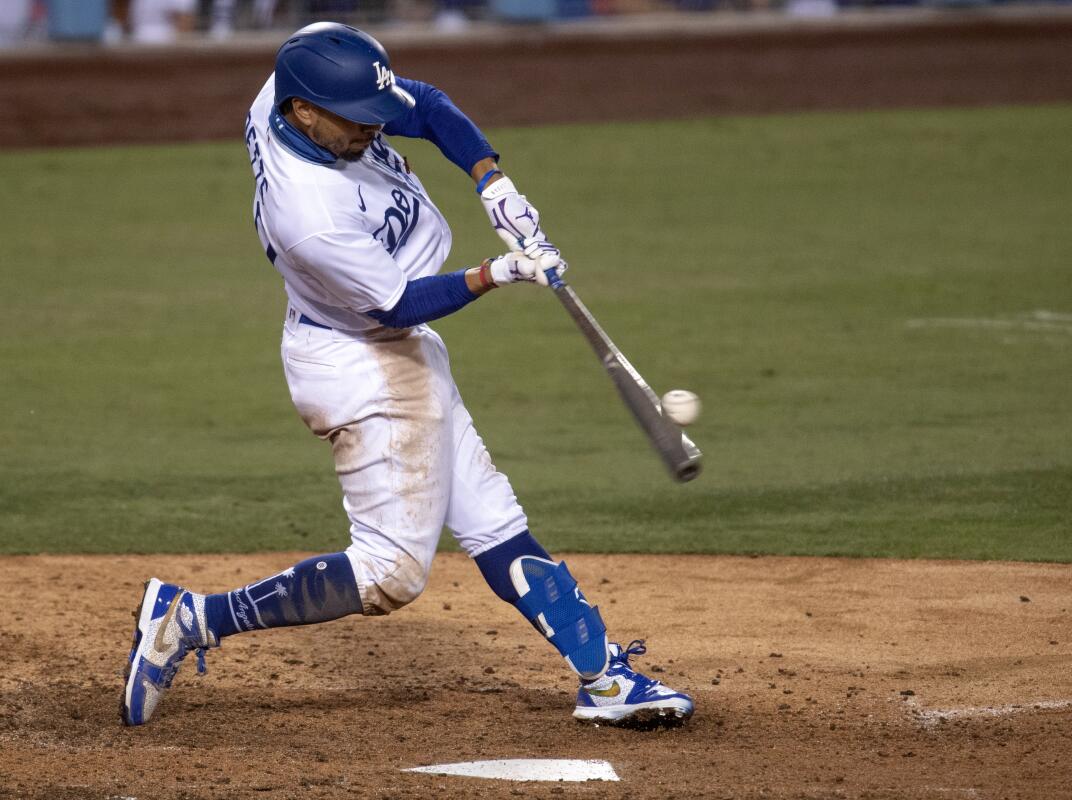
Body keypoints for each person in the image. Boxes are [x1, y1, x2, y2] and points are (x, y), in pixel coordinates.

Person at [120, 22, 693, 731]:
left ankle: (603, 677)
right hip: (361, 360)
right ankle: (189, 619)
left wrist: (491, 178)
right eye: (358, 121)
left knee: (492, 521)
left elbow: (420, 101)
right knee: (390, 573)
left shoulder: (291, 84)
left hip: (392, 344)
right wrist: (500, 270)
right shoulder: (309, 214)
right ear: (304, 113)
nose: (374, 128)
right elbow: (398, 301)